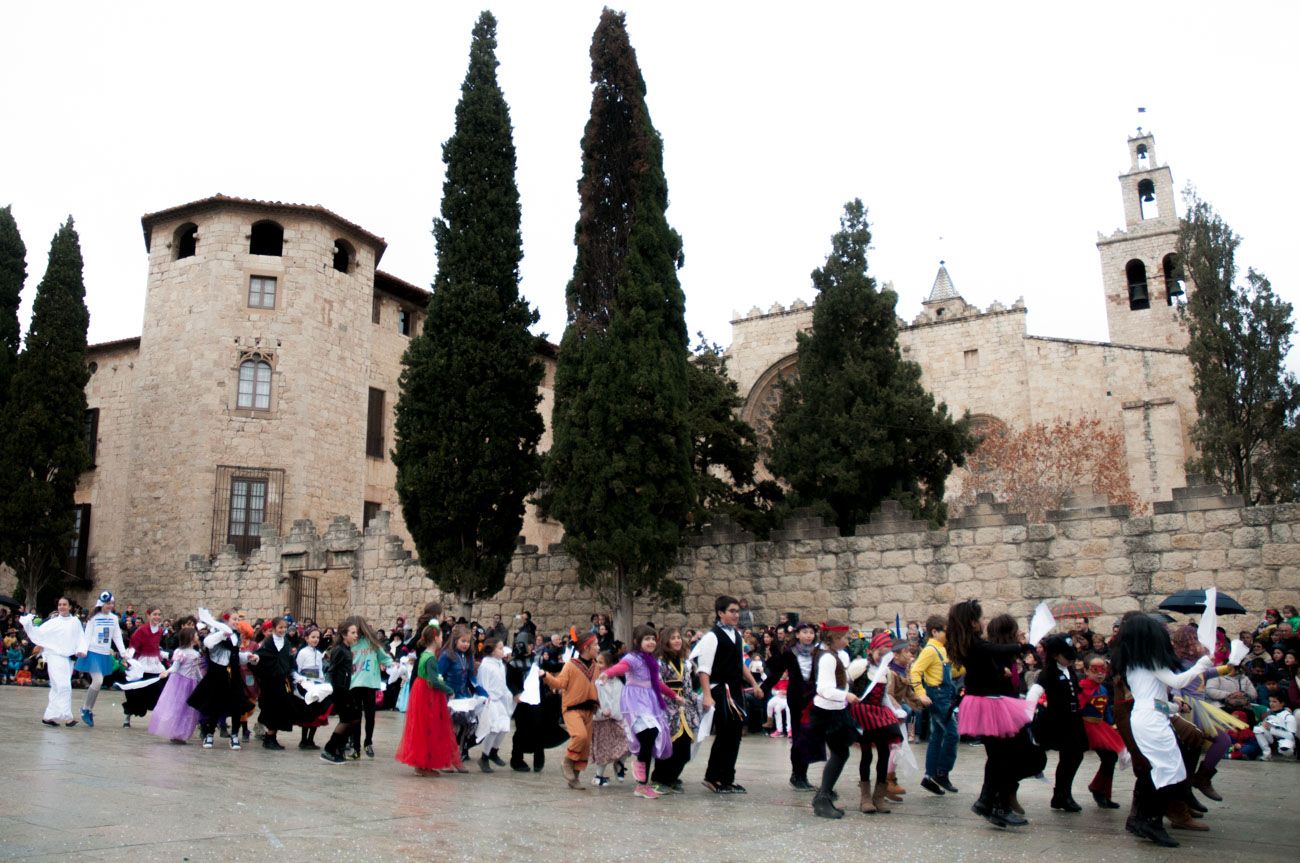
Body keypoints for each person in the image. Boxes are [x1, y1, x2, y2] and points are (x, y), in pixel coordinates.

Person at [1112, 611, 1214, 848]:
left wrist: (1169, 706)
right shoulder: (1148, 661)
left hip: (1149, 716)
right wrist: (1202, 663)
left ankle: (1143, 819)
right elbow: (1178, 682)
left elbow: (1147, 698)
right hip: (1151, 721)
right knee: (1168, 772)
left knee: (1162, 771)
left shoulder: (1134, 663)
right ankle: (1151, 821)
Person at [947, 604, 1042, 829]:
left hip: (984, 702)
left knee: (999, 755)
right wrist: (1021, 646)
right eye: (979, 618)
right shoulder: (974, 643)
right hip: (988, 703)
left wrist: (1001, 669)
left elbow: (985, 665)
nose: (982, 622)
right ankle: (990, 802)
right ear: (971, 622)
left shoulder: (967, 643)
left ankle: (988, 802)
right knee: (1001, 756)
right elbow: (995, 651)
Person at [693, 594, 764, 794]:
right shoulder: (712, 637)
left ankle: (727, 778)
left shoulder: (737, 635)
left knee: (735, 734)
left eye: (737, 611)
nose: (736, 615)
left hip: (735, 690)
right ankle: (712, 776)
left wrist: (754, 684)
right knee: (724, 733)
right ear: (720, 613)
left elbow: (740, 664)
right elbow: (704, 669)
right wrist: (707, 695)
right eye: (731, 611)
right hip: (720, 690)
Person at [601, 625, 681, 800]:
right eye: (647, 639)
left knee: (651, 738)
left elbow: (657, 683)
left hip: (650, 700)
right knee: (649, 733)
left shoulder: (652, 660)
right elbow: (621, 667)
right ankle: (641, 783)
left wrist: (674, 695)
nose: (651, 642)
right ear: (638, 642)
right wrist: (608, 673)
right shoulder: (633, 658)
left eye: (653, 638)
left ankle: (642, 779)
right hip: (635, 700)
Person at [849, 632, 905, 814]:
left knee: (884, 753)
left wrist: (895, 711)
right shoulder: (859, 667)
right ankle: (865, 797)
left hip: (877, 714)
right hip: (861, 713)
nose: (882, 657)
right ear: (870, 650)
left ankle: (879, 796)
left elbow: (883, 698)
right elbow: (844, 685)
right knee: (866, 755)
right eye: (880, 653)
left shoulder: (886, 672)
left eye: (886, 654)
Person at [763, 622, 823, 791]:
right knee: (798, 737)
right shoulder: (790, 653)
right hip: (797, 698)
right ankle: (797, 775)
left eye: (811, 632)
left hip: (813, 698)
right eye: (805, 632)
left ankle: (803, 774)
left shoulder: (818, 652)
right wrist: (763, 688)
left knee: (809, 736)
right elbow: (775, 672)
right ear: (797, 634)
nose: (809, 635)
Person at [394, 623, 461, 774]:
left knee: (422, 726)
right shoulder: (430, 657)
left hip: (421, 690)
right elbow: (433, 680)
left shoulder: (424, 654)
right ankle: (424, 764)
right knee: (429, 727)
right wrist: (448, 690)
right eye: (442, 636)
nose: (442, 639)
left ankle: (422, 764)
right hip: (427, 694)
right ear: (436, 638)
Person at [809, 620, 859, 818]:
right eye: (845, 638)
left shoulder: (835, 656)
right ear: (835, 638)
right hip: (828, 712)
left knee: (840, 753)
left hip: (835, 710)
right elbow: (824, 689)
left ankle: (824, 795)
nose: (847, 641)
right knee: (839, 753)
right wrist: (845, 695)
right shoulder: (828, 658)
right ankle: (822, 798)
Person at [1037, 633, 1089, 813]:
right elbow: (1035, 691)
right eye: (1065, 655)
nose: (1070, 659)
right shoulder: (1049, 672)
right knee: (1069, 756)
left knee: (1075, 756)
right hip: (1059, 719)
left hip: (1074, 717)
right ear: (1054, 655)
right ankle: (1062, 794)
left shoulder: (1069, 671)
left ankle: (1062, 793)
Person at [910, 613, 962, 795]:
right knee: (953, 734)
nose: (949, 635)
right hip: (938, 695)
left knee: (938, 735)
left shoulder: (941, 649)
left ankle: (929, 775)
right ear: (934, 631)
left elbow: (950, 673)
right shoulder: (930, 650)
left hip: (944, 694)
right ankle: (941, 772)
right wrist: (921, 693)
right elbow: (915, 671)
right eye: (946, 631)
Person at [188, 610, 255, 750]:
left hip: (234, 676)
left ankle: (235, 735)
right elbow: (207, 643)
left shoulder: (236, 636)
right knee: (215, 705)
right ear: (225, 620)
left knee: (237, 705)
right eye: (234, 619)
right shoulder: (216, 632)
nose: (237, 622)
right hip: (218, 676)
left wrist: (248, 657)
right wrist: (222, 634)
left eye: (238, 619)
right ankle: (210, 734)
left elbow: (235, 655)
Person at [544, 631, 601, 790]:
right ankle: (567, 761)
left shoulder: (596, 666)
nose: (598, 647)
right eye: (595, 644)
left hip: (589, 710)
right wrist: (545, 676)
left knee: (585, 745)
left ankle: (574, 778)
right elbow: (559, 683)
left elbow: (600, 686)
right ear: (586, 647)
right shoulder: (571, 665)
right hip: (572, 709)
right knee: (580, 736)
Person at [650, 628, 700, 792]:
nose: (677, 640)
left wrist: (696, 701)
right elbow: (657, 684)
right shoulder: (659, 662)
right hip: (667, 707)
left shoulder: (685, 662)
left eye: (679, 637)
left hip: (685, 708)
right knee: (667, 746)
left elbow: (688, 686)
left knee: (684, 750)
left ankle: (672, 777)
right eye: (673, 638)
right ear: (666, 641)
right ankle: (659, 779)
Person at [20, 598, 83, 726]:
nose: (62, 607)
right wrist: (30, 624)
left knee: (56, 687)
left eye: (64, 604)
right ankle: (67, 717)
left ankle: (49, 716)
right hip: (55, 656)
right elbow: (41, 634)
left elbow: (80, 637)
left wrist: (81, 650)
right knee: (64, 686)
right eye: (60, 604)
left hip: (68, 658)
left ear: (70, 607)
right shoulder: (53, 622)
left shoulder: (75, 621)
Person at [1077, 654, 1125, 808]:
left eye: (1103, 669)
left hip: (1100, 727)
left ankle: (1102, 791)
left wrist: (1111, 725)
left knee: (1110, 758)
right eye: (1095, 669)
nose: (1099, 673)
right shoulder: (1081, 687)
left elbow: (1105, 711)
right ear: (1086, 670)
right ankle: (1097, 789)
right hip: (1085, 728)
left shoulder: (1103, 688)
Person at [74, 591, 128, 728]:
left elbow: (117, 637)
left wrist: (123, 652)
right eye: (108, 603)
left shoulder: (114, 618)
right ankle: (86, 709)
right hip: (92, 652)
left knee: (98, 683)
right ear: (101, 604)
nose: (110, 606)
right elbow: (87, 636)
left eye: (112, 603)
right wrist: (83, 650)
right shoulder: (93, 618)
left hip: (104, 654)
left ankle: (88, 709)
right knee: (98, 681)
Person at [345, 615, 393, 759]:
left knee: (370, 715)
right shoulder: (349, 644)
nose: (355, 634)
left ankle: (368, 742)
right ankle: (356, 748)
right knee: (356, 717)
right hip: (354, 684)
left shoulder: (372, 643)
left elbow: (385, 658)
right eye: (352, 631)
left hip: (370, 684)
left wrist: (395, 666)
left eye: (356, 630)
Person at [147, 625, 204, 743]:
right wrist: (166, 672)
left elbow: (196, 670)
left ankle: (181, 733)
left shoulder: (196, 654)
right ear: (191, 637)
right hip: (180, 683)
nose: (198, 636)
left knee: (188, 709)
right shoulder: (180, 652)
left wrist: (202, 681)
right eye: (196, 635)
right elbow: (175, 667)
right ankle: (175, 732)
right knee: (178, 707)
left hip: (191, 684)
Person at [439, 623, 485, 767]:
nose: (465, 644)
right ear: (455, 640)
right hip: (449, 697)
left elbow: (471, 677)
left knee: (469, 725)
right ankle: (446, 757)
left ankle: (458, 755)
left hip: (463, 696)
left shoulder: (469, 656)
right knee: (451, 728)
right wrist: (446, 690)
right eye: (462, 641)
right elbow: (439, 676)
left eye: (468, 641)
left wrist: (481, 691)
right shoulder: (447, 655)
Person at [253, 616, 297, 751]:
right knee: (270, 709)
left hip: (282, 681)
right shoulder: (267, 643)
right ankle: (268, 737)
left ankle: (272, 737)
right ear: (273, 628)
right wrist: (257, 659)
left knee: (280, 709)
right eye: (280, 627)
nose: (283, 630)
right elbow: (261, 656)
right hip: (269, 682)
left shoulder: (286, 643)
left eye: (284, 627)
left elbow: (288, 661)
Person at [119, 606, 167, 727]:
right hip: (142, 664)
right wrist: (127, 658)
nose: (157, 617)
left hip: (155, 664)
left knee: (159, 691)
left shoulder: (160, 631)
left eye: (159, 614)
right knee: (136, 692)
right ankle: (128, 715)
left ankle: (158, 720)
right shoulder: (142, 630)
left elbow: (157, 647)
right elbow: (133, 646)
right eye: (154, 614)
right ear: (148, 616)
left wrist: (166, 655)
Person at [590, 651, 630, 787]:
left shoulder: (619, 682)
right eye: (597, 662)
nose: (598, 665)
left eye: (601, 662)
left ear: (611, 665)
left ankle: (619, 763)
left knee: (629, 742)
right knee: (604, 749)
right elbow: (596, 701)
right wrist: (601, 712)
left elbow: (621, 700)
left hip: (618, 719)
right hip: (602, 721)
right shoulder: (597, 682)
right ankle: (598, 776)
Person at [474, 637, 513, 772]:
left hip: (499, 699)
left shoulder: (500, 664)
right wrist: (485, 699)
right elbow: (482, 683)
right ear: (492, 650)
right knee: (493, 728)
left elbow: (502, 683)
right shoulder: (486, 665)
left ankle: (493, 751)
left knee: (504, 726)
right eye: (500, 648)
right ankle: (484, 757)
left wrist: (507, 695)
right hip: (490, 700)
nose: (503, 651)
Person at [293, 626, 331, 750]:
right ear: (306, 638)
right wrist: (300, 681)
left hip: (317, 685)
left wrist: (322, 682)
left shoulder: (319, 654)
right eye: (313, 637)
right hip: (306, 685)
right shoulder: (303, 652)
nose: (315, 640)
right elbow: (298, 669)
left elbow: (320, 671)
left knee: (317, 713)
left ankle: (311, 739)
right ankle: (303, 740)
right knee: (307, 713)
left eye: (317, 637)